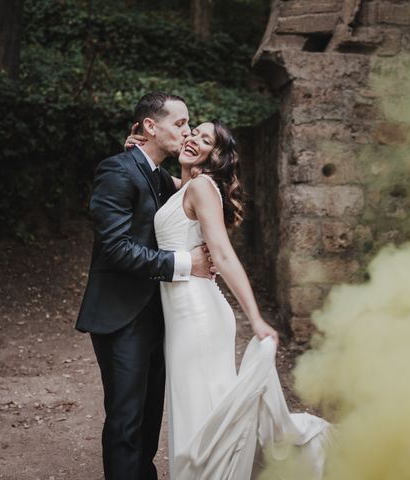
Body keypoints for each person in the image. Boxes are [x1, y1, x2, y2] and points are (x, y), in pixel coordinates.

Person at [126, 120, 331, 478]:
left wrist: (256, 318)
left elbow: (222, 254)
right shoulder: (185, 188)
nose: (193, 139)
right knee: (199, 410)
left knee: (203, 414)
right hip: (182, 315)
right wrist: (137, 151)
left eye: (206, 140)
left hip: (197, 316)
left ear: (214, 157)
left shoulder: (202, 187)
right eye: (193, 132)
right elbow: (157, 179)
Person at [76, 92, 215, 480]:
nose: (187, 130)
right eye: (180, 123)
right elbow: (117, 249)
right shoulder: (117, 171)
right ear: (150, 127)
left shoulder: (156, 175)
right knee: (125, 422)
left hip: (158, 314)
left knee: (150, 417)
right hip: (121, 316)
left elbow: (189, 194)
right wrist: (188, 263)